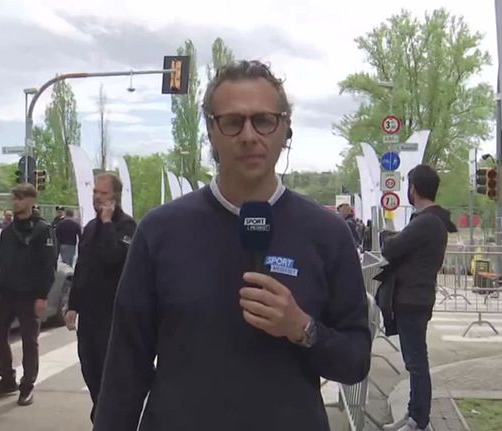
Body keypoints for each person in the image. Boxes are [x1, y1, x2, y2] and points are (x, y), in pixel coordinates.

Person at [93, 60, 371, 431]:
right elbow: (125, 367)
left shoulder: (327, 233)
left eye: (264, 120)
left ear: (285, 129)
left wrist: (302, 328)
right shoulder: (160, 231)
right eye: (233, 122)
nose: (249, 135)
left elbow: (355, 362)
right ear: (212, 131)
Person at [379, 165, 457, 431]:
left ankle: (418, 420)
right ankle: (413, 413)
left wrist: (385, 236)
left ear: (413, 188)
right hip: (416, 297)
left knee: (416, 363)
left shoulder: (426, 221)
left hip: (413, 298)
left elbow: (391, 248)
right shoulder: (432, 221)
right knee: (414, 361)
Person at [65, 173, 137, 423]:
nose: (96, 197)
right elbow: (82, 268)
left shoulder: (127, 227)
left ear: (115, 197)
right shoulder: (89, 228)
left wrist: (107, 224)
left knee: (111, 371)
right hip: (89, 315)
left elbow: (114, 258)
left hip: (113, 313)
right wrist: (73, 305)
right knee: (89, 366)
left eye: (103, 193)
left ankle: (107, 418)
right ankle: (102, 411)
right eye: (95, 192)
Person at [0, 184, 57, 406]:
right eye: (14, 198)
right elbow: (1, 262)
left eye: (20, 198)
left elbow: (48, 265)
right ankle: (7, 379)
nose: (16, 202)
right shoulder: (8, 231)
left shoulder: (43, 230)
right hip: (7, 294)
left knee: (29, 341)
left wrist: (42, 296)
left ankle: (27, 385)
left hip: (30, 295)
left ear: (31, 200)